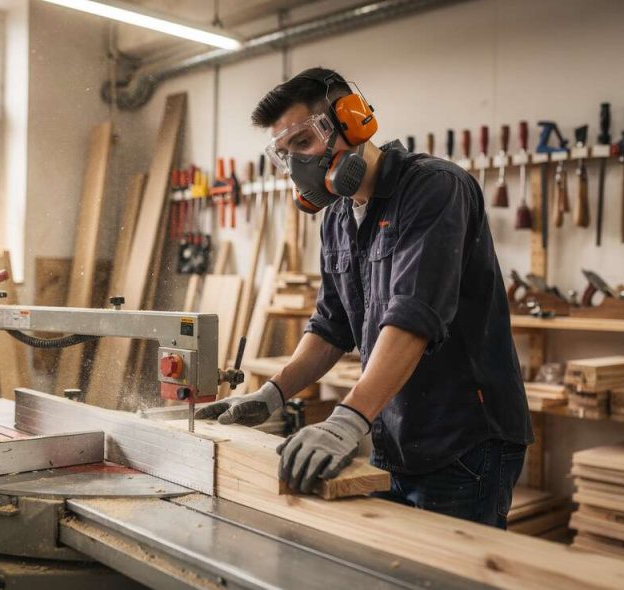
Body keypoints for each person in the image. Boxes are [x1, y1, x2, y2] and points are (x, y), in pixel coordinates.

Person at [196, 67, 533, 529]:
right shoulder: (337, 219)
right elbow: (330, 325)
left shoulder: (435, 188)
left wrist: (345, 420)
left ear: (352, 120)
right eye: (283, 154)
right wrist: (273, 394)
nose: (296, 165)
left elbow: (413, 316)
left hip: (463, 439)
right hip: (395, 431)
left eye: (303, 142)